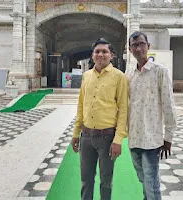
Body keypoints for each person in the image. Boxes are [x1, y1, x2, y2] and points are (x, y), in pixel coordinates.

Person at [71, 38, 128, 200]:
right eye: (97, 51)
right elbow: (81, 105)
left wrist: (118, 139)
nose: (100, 54)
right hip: (87, 137)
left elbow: (124, 109)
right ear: (92, 56)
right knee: (86, 181)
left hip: (107, 138)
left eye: (104, 51)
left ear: (111, 55)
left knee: (106, 182)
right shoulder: (86, 76)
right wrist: (76, 133)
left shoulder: (119, 77)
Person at [127, 31, 177, 200]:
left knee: (151, 183)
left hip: (151, 140)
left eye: (141, 44)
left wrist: (168, 137)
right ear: (130, 49)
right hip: (133, 138)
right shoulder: (130, 75)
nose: (138, 48)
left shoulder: (160, 72)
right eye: (134, 45)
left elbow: (168, 105)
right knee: (143, 179)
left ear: (148, 46)